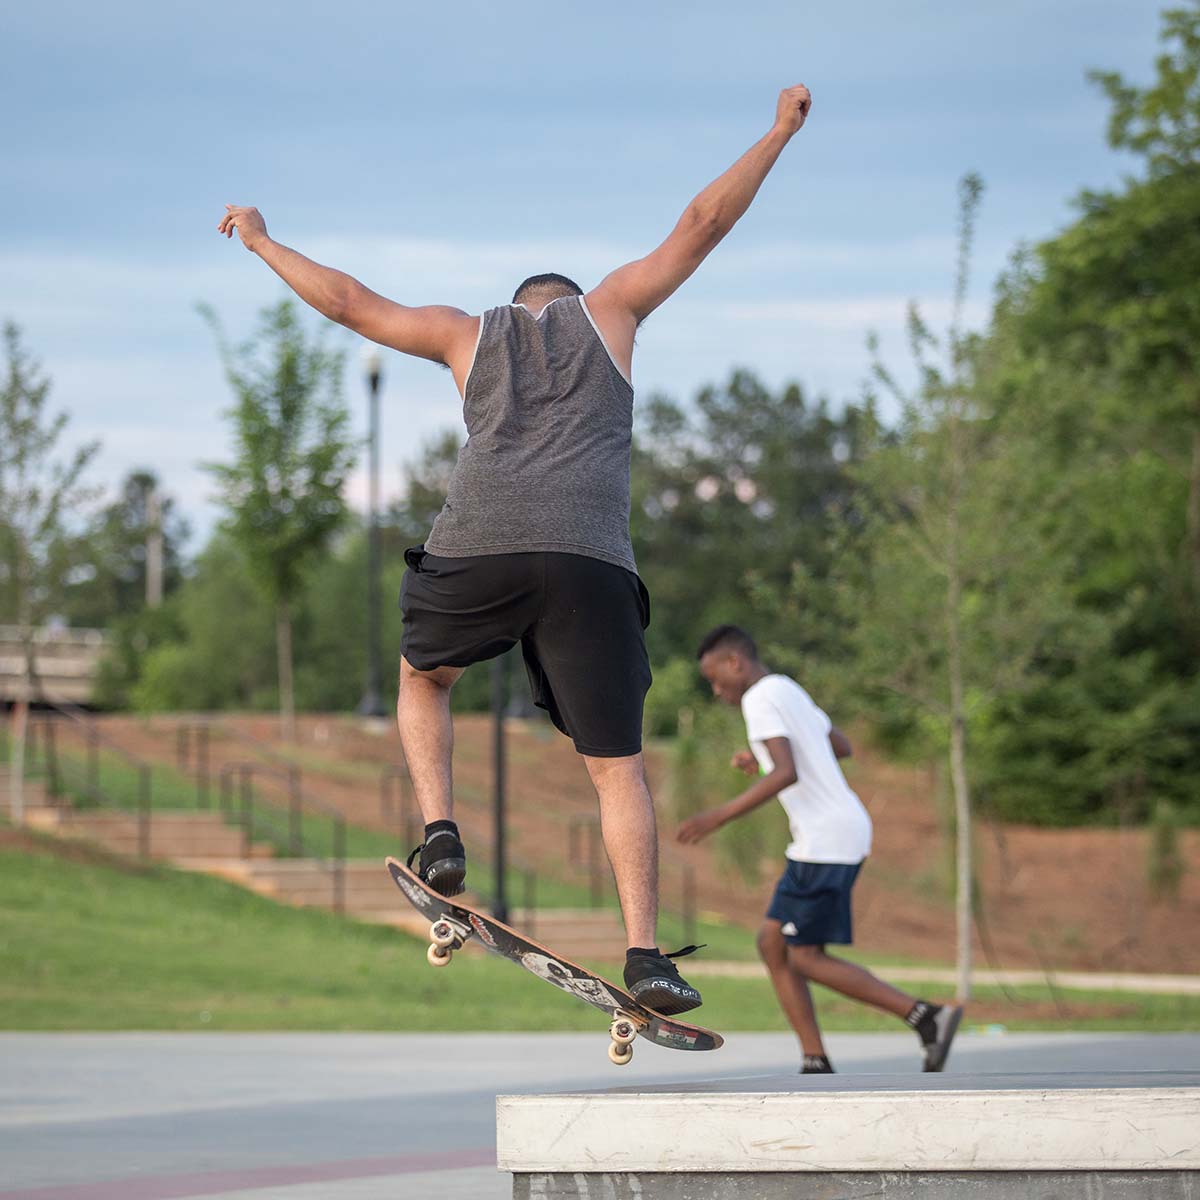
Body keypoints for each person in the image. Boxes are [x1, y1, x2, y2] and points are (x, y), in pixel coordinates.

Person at [217, 84, 813, 1016]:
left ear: (516, 308)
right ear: (573, 308)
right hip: (591, 562)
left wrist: (260, 240)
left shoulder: (464, 333)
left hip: (480, 548)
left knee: (425, 676)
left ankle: (441, 831)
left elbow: (346, 303)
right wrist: (777, 131)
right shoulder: (615, 312)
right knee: (618, 769)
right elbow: (700, 223)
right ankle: (647, 955)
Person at [679, 624, 963, 1071]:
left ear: (736, 662)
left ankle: (926, 1017)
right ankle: (815, 1058)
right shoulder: (786, 688)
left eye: (716, 678)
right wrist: (764, 758)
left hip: (825, 840)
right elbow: (838, 745)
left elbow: (788, 772)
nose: (716, 690)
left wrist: (717, 816)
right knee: (772, 944)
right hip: (832, 834)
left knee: (805, 956)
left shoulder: (758, 698)